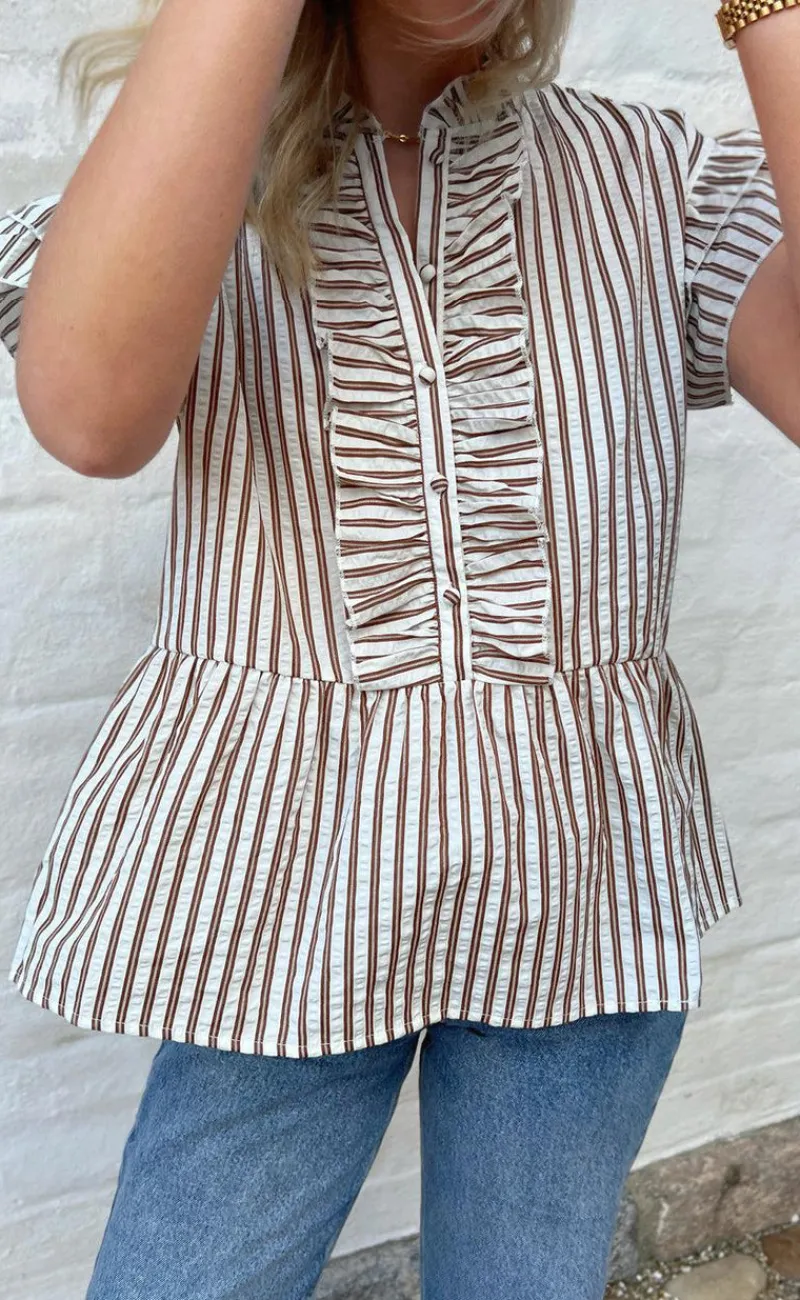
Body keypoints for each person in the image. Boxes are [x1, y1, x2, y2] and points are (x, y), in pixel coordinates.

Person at [1, 1, 797, 1297]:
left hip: (584, 878)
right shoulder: (191, 180)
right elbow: (89, 416)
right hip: (282, 886)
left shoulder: (654, 178)